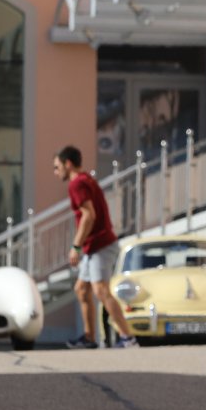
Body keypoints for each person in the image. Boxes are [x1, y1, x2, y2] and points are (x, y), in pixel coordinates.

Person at [53, 145, 136, 349]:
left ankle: (128, 338)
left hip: (100, 244)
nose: (55, 172)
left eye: (57, 167)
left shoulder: (77, 183)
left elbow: (89, 215)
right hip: (94, 246)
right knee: (82, 289)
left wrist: (76, 246)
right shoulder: (86, 179)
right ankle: (89, 338)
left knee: (101, 290)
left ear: (68, 164)